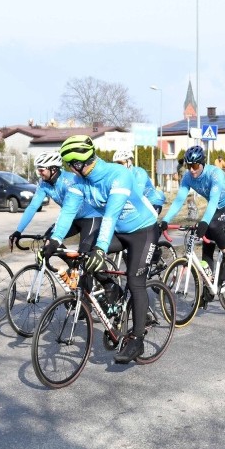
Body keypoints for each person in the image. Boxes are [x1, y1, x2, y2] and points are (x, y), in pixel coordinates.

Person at [46, 135, 159, 363]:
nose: (69, 170)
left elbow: (110, 215)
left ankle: (137, 340)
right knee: (86, 257)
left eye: (70, 165)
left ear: (78, 164)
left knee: (135, 281)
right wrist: (54, 240)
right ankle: (112, 290)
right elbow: (68, 211)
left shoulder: (119, 175)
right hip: (119, 231)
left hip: (143, 230)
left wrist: (101, 248)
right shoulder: (80, 182)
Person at [160, 145, 225, 300]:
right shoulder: (187, 177)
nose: (192, 169)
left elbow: (212, 201)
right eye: (189, 166)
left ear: (202, 163)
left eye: (195, 165)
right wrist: (165, 220)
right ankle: (208, 284)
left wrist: (204, 222)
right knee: (207, 241)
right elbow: (178, 201)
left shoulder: (215, 174)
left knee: (212, 225)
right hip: (216, 209)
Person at [8, 152, 102, 254]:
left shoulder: (70, 181)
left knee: (85, 254)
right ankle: (72, 266)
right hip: (72, 219)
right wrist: (18, 231)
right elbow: (32, 207)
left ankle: (93, 268)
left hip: (91, 217)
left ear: (53, 169)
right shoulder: (44, 184)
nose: (39, 173)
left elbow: (68, 210)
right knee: (48, 240)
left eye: (41, 170)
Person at [112, 149, 166, 213]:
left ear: (130, 161)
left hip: (153, 201)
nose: (118, 166)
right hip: (138, 203)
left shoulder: (139, 172)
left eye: (120, 163)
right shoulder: (119, 175)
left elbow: (137, 194)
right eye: (116, 164)